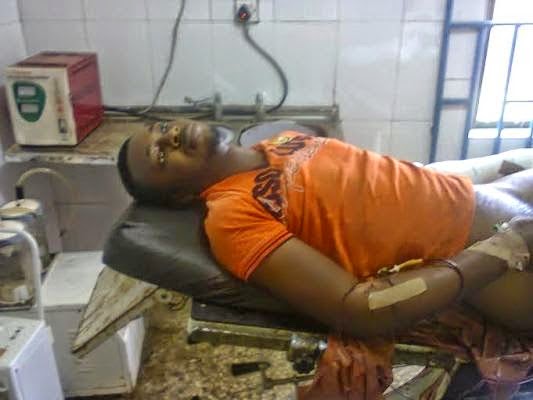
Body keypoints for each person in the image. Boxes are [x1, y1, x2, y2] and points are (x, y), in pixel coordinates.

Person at [117, 118, 533, 338]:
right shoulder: (232, 218)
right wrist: (504, 249)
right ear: (180, 197)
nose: (170, 137)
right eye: (160, 156)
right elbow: (361, 309)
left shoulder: (281, 140)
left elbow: (385, 188)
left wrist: (494, 175)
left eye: (161, 128)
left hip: (494, 192)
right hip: (505, 262)